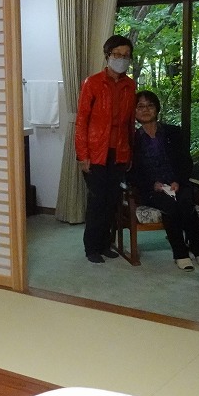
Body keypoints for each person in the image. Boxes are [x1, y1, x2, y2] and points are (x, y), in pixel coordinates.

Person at [75, 35, 138, 263]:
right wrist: (83, 155)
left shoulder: (130, 85)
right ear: (108, 55)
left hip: (119, 152)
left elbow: (130, 122)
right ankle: (92, 247)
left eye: (126, 56)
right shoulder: (92, 83)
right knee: (97, 200)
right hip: (95, 152)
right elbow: (82, 121)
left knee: (112, 200)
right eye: (117, 54)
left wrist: (129, 152)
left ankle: (105, 243)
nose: (121, 59)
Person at [129, 90, 199, 270]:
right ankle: (180, 253)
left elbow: (186, 162)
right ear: (134, 112)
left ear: (157, 109)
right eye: (140, 106)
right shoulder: (131, 140)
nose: (145, 110)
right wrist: (152, 185)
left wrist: (178, 181)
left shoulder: (173, 132)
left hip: (177, 184)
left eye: (150, 105)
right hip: (151, 189)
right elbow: (131, 172)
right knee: (170, 207)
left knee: (186, 202)